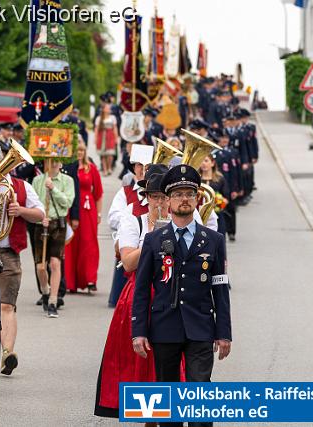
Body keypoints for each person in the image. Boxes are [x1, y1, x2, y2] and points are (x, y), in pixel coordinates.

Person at [132, 164, 232, 427]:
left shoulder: (214, 240)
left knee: (200, 393)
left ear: (197, 199)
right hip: (165, 327)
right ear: (168, 202)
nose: (184, 199)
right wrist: (138, 331)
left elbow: (220, 289)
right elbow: (142, 289)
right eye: (178, 194)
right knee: (168, 397)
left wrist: (224, 333)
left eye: (189, 193)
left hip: (201, 327)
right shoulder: (154, 240)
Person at [95, 172, 168, 422]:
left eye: (163, 197)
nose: (159, 202)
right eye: (154, 197)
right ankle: (146, 413)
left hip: (169, 292)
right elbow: (127, 263)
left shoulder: (180, 222)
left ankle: (168, 410)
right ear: (146, 198)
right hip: (140, 292)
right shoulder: (134, 222)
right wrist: (152, 238)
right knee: (139, 355)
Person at [0, 141, 45, 375]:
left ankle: (7, 355)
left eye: (5, 159)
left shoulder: (22, 187)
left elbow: (41, 214)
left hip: (9, 252)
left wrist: (20, 210)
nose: (0, 164)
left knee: (6, 305)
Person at [107, 144, 153, 307]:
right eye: (139, 165)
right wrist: (132, 222)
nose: (143, 169)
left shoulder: (160, 193)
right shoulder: (125, 191)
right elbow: (112, 217)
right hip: (131, 245)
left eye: (147, 166)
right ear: (134, 167)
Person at [32, 160, 75, 318]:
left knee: (55, 263)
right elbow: (33, 203)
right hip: (41, 225)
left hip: (58, 225)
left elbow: (67, 202)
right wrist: (40, 215)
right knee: (40, 267)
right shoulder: (37, 180)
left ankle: (52, 300)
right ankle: (45, 291)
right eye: (51, 161)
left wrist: (53, 188)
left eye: (57, 161)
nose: (54, 164)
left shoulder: (67, 180)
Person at [64, 143, 103, 293]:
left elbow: (98, 193)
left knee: (89, 244)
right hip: (71, 208)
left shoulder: (91, 168)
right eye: (77, 150)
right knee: (71, 244)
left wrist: (99, 214)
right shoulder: (68, 167)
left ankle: (90, 279)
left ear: (85, 151)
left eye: (82, 150)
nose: (79, 152)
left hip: (88, 210)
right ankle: (70, 282)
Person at [199, 155, 229, 236]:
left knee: (219, 238)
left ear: (212, 163)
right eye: (201, 161)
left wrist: (219, 203)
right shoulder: (197, 179)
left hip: (218, 215)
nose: (203, 164)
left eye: (206, 161)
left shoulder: (220, 179)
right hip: (200, 216)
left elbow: (226, 197)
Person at [95, 103, 119, 176]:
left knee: (110, 154)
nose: (109, 109)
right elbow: (96, 129)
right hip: (101, 136)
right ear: (104, 109)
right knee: (103, 154)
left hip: (110, 136)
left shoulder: (112, 117)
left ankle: (109, 167)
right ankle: (105, 170)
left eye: (109, 108)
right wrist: (95, 138)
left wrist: (116, 137)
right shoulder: (99, 118)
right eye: (107, 108)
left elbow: (115, 128)